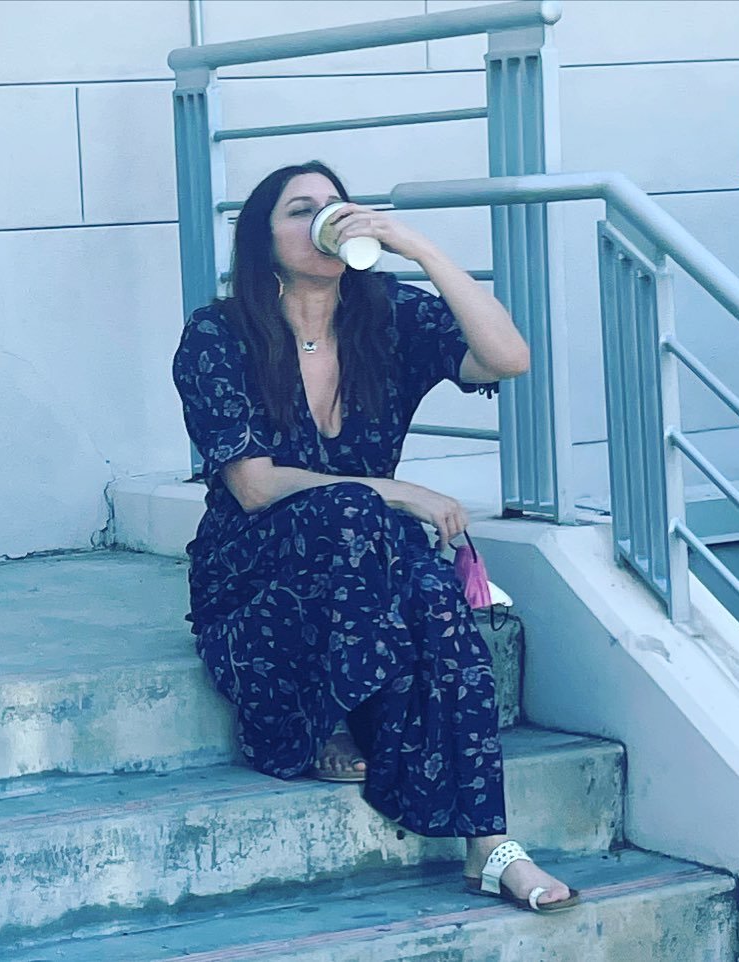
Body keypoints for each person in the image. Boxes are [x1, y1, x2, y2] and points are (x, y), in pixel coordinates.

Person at [172, 160, 579, 912]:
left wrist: (417, 247)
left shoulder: (385, 316)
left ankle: (491, 845)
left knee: (433, 596)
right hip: (257, 577)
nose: (325, 219)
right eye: (300, 210)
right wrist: (392, 490)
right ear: (263, 241)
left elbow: (508, 358)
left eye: (335, 205)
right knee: (360, 515)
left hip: (371, 560)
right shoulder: (219, 333)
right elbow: (253, 486)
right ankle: (321, 716)